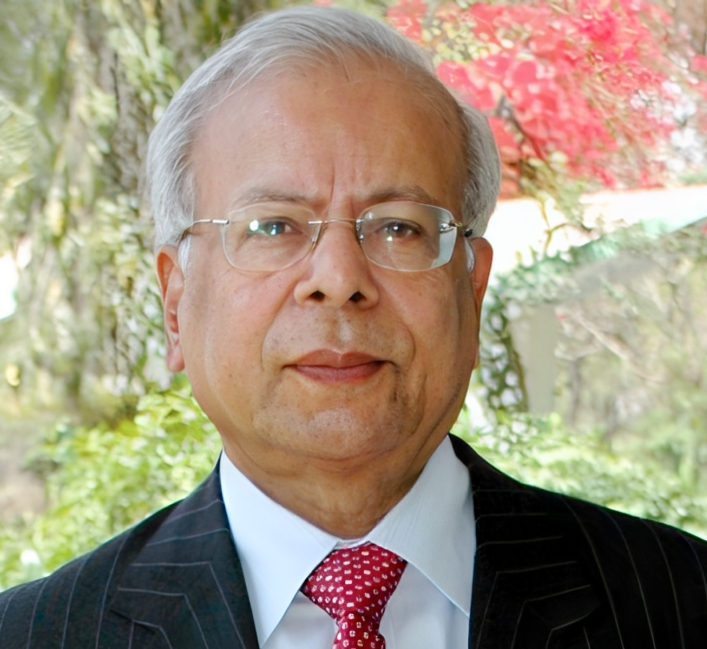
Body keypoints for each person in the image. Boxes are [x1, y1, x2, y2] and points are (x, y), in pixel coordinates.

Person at [1, 5, 705, 648]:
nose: (338, 277)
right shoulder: (36, 634)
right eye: (272, 226)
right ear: (176, 304)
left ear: (472, 289)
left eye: (398, 227)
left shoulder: (681, 602)